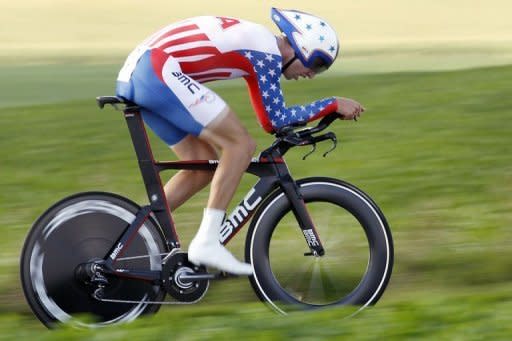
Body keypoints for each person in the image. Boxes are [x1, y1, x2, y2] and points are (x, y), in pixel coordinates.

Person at [115, 8, 365, 275]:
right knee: (240, 145)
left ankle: (125, 241)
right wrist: (332, 104)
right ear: (301, 45)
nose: (313, 74)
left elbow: (269, 122)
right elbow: (277, 119)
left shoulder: (259, 47)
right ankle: (207, 242)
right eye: (317, 64)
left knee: (200, 167)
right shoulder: (265, 51)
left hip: (143, 73)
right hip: (155, 71)